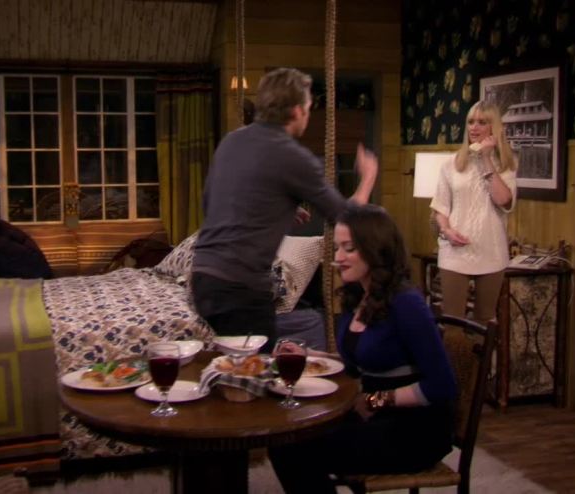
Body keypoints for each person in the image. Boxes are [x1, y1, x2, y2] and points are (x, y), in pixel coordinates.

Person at [269, 204, 458, 493]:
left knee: (295, 451)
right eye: (337, 248)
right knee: (286, 436)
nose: (338, 257)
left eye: (349, 249)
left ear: (375, 249)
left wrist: (374, 400)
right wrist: (309, 355)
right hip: (374, 416)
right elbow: (358, 361)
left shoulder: (406, 303)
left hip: (415, 429)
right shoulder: (358, 294)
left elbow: (442, 385)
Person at [191, 67, 378, 341]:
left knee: (230, 361)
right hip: (240, 286)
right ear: (297, 111)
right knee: (255, 365)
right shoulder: (292, 156)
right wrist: (368, 177)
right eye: (309, 108)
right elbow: (346, 216)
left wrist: (277, 208)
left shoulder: (232, 141)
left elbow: (213, 204)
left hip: (203, 279)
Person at [431, 100, 517, 325]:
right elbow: (440, 206)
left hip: (491, 251)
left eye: (482, 122)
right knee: (452, 321)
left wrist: (486, 158)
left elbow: (503, 200)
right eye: (471, 122)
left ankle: (481, 351)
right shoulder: (451, 164)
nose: (474, 127)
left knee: (484, 320)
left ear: (493, 128)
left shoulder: (506, 165)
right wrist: (446, 230)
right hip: (455, 251)